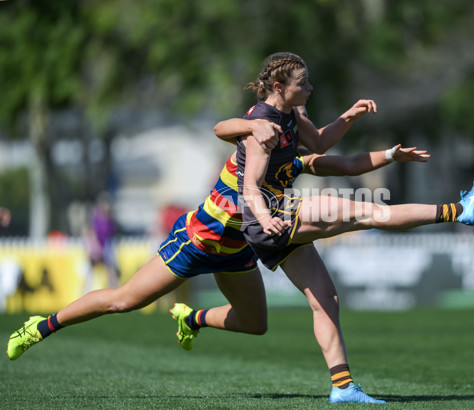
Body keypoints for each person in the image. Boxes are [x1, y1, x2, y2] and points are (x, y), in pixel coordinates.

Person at [5, 120, 430, 402]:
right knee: (123, 300)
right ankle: (40, 326)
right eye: (303, 89)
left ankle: (192, 319)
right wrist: (253, 128)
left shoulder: (291, 161)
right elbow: (223, 128)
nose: (294, 132)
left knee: (256, 324)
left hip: (236, 252)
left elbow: (338, 157)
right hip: (195, 243)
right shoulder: (253, 146)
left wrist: (380, 146)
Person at [210, 52, 474, 404]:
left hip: (276, 219)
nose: (310, 87)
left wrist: (350, 116)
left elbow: (321, 144)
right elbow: (249, 187)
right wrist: (267, 219)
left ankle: (342, 387)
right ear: (279, 87)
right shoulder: (264, 126)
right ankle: (459, 210)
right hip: (270, 215)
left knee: (326, 299)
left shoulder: (290, 114)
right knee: (366, 212)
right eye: (303, 83)